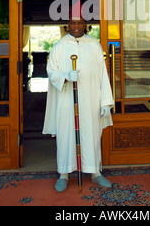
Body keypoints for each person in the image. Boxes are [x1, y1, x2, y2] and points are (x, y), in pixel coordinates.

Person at [43, 10, 114, 193]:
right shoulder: (59, 46)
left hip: (91, 99)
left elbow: (102, 76)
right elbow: (51, 71)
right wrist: (65, 76)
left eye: (79, 23)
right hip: (67, 101)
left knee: (91, 134)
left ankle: (95, 173)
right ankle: (64, 175)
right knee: (67, 135)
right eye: (73, 23)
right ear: (68, 25)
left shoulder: (94, 45)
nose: (76, 26)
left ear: (85, 25)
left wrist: (105, 102)